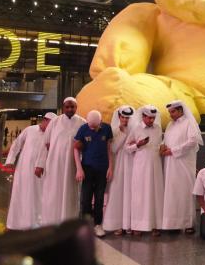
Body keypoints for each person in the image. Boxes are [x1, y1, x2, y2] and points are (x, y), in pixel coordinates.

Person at [35, 97, 86, 225]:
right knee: (53, 192)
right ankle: (50, 222)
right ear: (63, 108)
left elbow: (85, 145)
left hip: (72, 165)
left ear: (76, 107)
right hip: (54, 164)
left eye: (72, 107)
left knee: (70, 193)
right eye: (67, 107)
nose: (70, 109)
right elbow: (45, 144)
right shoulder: (55, 122)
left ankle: (69, 223)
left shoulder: (82, 123)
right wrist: (40, 165)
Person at [5, 112, 56, 230]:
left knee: (37, 197)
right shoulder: (30, 130)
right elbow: (16, 144)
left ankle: (35, 225)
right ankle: (15, 224)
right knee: (20, 195)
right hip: (23, 169)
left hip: (40, 172)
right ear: (44, 120)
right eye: (50, 123)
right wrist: (10, 161)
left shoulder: (52, 135)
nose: (51, 127)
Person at [161, 100, 203, 233]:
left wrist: (173, 151)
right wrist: (162, 147)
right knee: (172, 192)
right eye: (170, 112)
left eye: (173, 112)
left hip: (184, 164)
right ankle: (173, 224)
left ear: (180, 111)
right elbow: (165, 141)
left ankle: (188, 224)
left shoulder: (189, 123)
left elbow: (192, 141)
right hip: (170, 164)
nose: (171, 115)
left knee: (184, 192)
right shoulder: (169, 125)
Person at [74, 110, 113, 238]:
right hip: (87, 168)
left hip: (102, 169)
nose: (91, 128)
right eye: (90, 125)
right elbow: (75, 148)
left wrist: (110, 167)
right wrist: (79, 168)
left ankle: (98, 224)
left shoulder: (107, 129)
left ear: (100, 122)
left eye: (94, 126)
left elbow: (109, 148)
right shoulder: (83, 129)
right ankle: (86, 224)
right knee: (86, 199)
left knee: (99, 198)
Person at [126, 105, 163, 236]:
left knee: (155, 194)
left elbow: (159, 145)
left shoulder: (158, 129)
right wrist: (138, 144)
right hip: (141, 166)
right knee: (140, 194)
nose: (151, 121)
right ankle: (138, 225)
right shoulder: (136, 128)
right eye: (149, 118)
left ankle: (155, 225)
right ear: (143, 116)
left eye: (153, 118)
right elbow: (127, 147)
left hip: (155, 165)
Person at [102, 105, 137, 235]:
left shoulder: (135, 129)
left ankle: (130, 223)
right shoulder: (114, 130)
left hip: (132, 163)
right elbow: (113, 149)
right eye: (123, 117)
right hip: (117, 164)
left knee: (130, 192)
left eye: (127, 117)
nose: (125, 119)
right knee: (117, 192)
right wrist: (122, 133)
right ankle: (117, 224)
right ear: (119, 117)